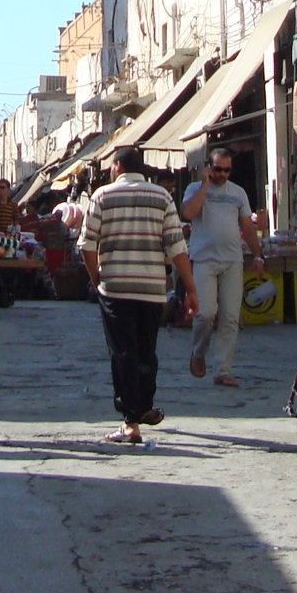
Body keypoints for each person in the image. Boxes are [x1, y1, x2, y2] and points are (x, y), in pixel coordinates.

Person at [79, 145, 197, 445]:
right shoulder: (162, 197)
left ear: (118, 166)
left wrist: (97, 279)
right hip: (152, 289)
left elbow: (87, 244)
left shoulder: (102, 196)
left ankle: (131, 420)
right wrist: (191, 288)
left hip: (116, 288)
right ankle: (143, 404)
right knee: (146, 351)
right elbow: (177, 246)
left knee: (123, 352)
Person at [180, 148, 263, 386]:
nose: (223, 174)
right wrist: (205, 185)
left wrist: (258, 256)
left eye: (227, 170)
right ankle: (198, 352)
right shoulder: (194, 190)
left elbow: (247, 226)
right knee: (205, 314)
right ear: (208, 167)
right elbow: (187, 213)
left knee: (230, 316)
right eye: (218, 169)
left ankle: (222, 370)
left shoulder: (238, 193)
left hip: (232, 260)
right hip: (204, 259)